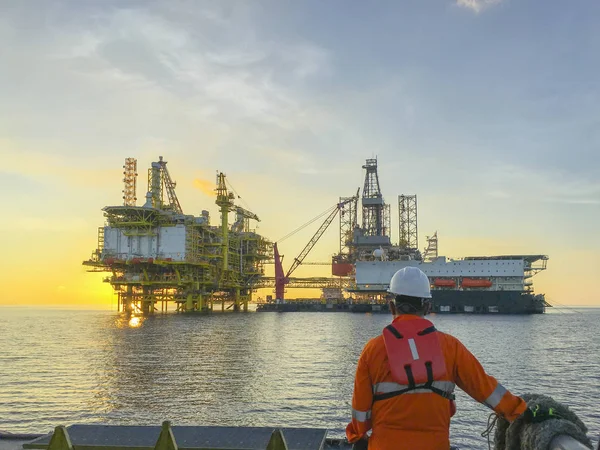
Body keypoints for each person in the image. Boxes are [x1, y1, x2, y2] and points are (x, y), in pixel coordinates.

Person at [346, 267, 527, 450]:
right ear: (427, 306)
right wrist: (522, 412)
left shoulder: (372, 350)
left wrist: (356, 435)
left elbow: (360, 415)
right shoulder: (451, 347)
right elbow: (487, 390)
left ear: (391, 305)